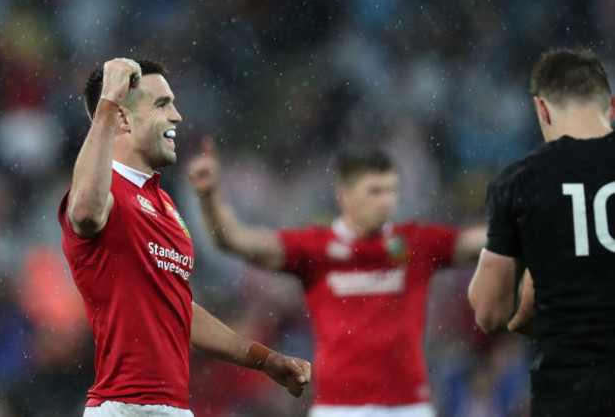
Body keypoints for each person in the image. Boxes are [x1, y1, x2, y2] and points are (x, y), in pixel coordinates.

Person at [57, 58, 311, 417]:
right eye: (162, 104)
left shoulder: (164, 203)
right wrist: (107, 105)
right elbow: (84, 212)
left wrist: (263, 359)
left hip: (171, 408)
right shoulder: (103, 193)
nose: (176, 116)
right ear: (123, 119)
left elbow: (176, 309)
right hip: (125, 407)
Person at [186, 140, 486, 416]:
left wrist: (526, 212)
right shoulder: (316, 248)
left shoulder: (416, 243)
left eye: (391, 190)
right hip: (338, 408)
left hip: (407, 407)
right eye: (374, 191)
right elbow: (234, 240)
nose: (386, 202)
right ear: (343, 195)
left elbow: (483, 240)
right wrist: (209, 196)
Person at [468, 48, 615, 416]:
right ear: (611, 106)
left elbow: (489, 312)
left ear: (542, 110)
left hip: (571, 394)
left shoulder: (520, 182)